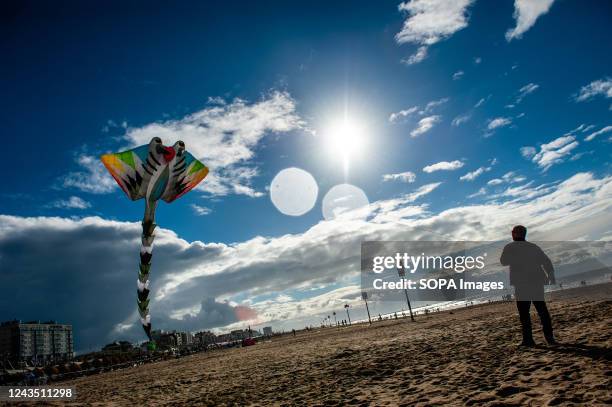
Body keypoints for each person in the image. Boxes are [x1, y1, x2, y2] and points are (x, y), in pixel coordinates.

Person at [500, 225, 556, 347]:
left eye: (513, 232)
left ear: (515, 234)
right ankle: (549, 337)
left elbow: (503, 261)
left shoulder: (510, 247)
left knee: (524, 313)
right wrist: (551, 275)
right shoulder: (533, 247)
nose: (512, 233)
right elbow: (546, 261)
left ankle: (528, 340)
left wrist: (515, 258)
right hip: (536, 281)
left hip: (521, 283)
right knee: (542, 310)